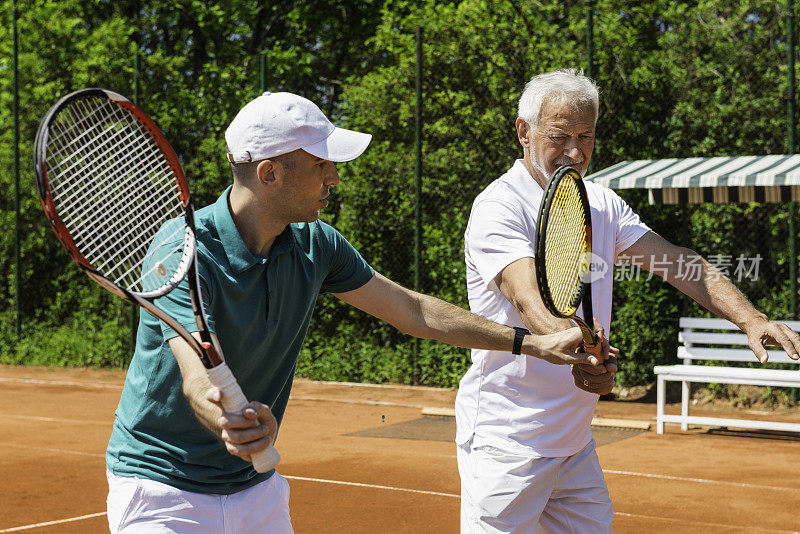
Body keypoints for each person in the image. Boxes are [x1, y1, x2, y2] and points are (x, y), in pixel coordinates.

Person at [104, 91, 609, 533]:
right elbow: (195, 378)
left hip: (253, 488)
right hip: (162, 490)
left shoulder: (314, 243)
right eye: (321, 164)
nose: (335, 178)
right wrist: (226, 419)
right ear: (270, 173)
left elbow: (412, 311)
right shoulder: (182, 250)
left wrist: (530, 342)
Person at [456, 68, 800, 533]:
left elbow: (678, 261)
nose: (575, 152)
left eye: (586, 135)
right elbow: (528, 300)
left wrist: (750, 318)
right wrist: (581, 349)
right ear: (523, 131)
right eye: (560, 136)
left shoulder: (601, 202)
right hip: (508, 443)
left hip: (575, 444)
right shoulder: (499, 206)